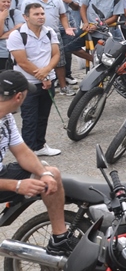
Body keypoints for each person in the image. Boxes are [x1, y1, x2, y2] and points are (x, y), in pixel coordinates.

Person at [0, 71, 78, 255]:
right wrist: (18, 185)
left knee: (52, 173)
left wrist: (44, 173)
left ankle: (60, 239)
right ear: (19, 97)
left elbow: (22, 152)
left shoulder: (6, 117)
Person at [7, 3, 61, 156]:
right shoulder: (17, 35)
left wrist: (47, 71)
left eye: (42, 14)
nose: (41, 17)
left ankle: (40, 145)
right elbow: (22, 61)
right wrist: (42, 75)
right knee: (30, 118)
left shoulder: (49, 32)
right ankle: (28, 152)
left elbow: (56, 54)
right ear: (26, 17)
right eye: (36, 14)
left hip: (48, 81)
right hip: (27, 84)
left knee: (43, 116)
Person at [0, 0, 24, 70]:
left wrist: (2, 36)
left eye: (8, 2)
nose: (6, 4)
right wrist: (2, 19)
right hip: (2, 53)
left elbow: (20, 28)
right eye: (3, 2)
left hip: (15, 52)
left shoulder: (15, 13)